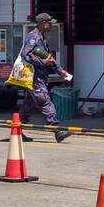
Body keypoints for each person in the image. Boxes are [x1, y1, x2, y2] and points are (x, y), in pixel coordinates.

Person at [18, 12, 71, 142]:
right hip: (34, 78)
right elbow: (27, 55)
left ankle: (17, 131)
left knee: (28, 106)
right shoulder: (33, 37)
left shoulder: (42, 38)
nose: (51, 25)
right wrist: (43, 62)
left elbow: (48, 58)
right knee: (44, 100)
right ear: (42, 23)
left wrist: (60, 71)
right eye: (49, 23)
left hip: (40, 77)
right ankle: (56, 130)